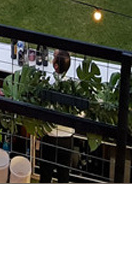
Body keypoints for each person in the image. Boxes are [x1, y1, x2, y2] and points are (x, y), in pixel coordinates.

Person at [38, 49, 75, 183]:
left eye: (54, 57)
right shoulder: (74, 87)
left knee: (45, 175)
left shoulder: (48, 85)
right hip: (66, 140)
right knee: (63, 177)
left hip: (50, 138)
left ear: (56, 66)